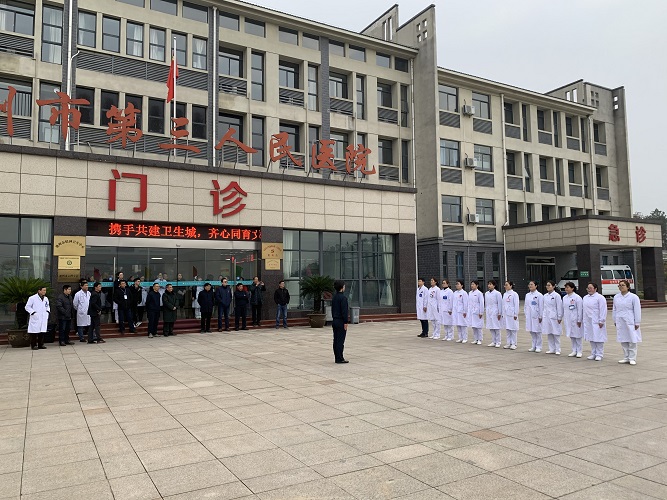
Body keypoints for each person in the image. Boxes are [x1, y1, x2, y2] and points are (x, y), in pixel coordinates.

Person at [613, 279, 641, 365]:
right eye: (619, 285)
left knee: (632, 339)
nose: (621, 287)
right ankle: (626, 357)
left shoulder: (633, 297)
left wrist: (637, 322)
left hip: (630, 320)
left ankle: (632, 358)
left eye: (623, 285)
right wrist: (615, 320)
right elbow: (614, 309)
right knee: (623, 339)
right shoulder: (616, 297)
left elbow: (637, 310)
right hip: (620, 320)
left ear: (628, 287)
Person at [583, 282, 608, 361]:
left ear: (595, 289)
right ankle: (593, 353)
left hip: (597, 320)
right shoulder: (585, 297)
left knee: (599, 337)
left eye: (590, 288)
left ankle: (599, 354)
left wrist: (602, 320)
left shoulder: (600, 297)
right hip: (588, 320)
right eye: (588, 288)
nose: (589, 289)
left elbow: (603, 309)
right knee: (591, 337)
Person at [562, 282, 584, 357]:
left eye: (568, 287)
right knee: (571, 335)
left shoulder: (577, 298)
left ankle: (579, 351)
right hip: (568, 319)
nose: (566, 289)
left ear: (572, 288)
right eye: (565, 287)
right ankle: (574, 350)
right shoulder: (564, 298)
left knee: (578, 335)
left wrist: (579, 320)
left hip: (575, 319)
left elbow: (580, 309)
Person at [542, 280, 564, 355]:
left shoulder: (556, 296)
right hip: (547, 316)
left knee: (556, 333)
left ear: (553, 286)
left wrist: (559, 317)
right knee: (549, 333)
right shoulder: (545, 296)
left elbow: (559, 307)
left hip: (554, 316)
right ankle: (551, 349)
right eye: (547, 285)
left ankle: (558, 349)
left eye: (549, 285)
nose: (547, 287)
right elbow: (544, 307)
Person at [25, 286, 50, 350]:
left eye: (45, 290)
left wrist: (47, 312)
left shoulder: (46, 298)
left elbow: (47, 306)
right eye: (43, 290)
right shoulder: (32, 298)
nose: (45, 292)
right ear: (39, 291)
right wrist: (33, 312)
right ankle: (33, 345)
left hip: (43, 317)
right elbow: (27, 307)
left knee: (42, 332)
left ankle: (41, 344)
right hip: (36, 317)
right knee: (34, 333)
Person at [332, 280, 349, 363]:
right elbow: (344, 311)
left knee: (335, 340)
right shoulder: (343, 298)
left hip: (335, 320)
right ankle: (340, 358)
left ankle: (337, 357)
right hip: (340, 321)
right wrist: (346, 322)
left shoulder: (334, 297)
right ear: (342, 287)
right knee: (340, 341)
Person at [525, 280, 543, 353]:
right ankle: (533, 346)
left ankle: (539, 346)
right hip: (529, 315)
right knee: (532, 331)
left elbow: (541, 306)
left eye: (532, 284)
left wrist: (540, 316)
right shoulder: (527, 295)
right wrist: (526, 313)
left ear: (536, 286)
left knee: (537, 331)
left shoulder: (539, 295)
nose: (530, 286)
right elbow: (526, 305)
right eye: (529, 284)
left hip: (536, 315)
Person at [485, 280, 503, 348]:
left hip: (495, 311)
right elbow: (486, 303)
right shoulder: (486, 293)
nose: (489, 285)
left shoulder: (497, 293)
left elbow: (500, 303)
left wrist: (499, 313)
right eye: (488, 284)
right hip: (489, 311)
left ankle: (498, 341)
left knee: (496, 327)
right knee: (491, 327)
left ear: (494, 285)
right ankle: (493, 341)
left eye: (490, 284)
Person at [502, 281, 519, 350]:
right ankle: (508, 343)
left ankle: (514, 343)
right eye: (505, 285)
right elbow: (503, 304)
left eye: (507, 285)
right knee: (508, 329)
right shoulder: (505, 294)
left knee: (513, 329)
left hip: (512, 314)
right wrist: (503, 313)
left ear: (511, 286)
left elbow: (516, 304)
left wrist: (515, 314)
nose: (505, 286)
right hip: (506, 314)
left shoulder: (514, 294)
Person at [468, 280, 485, 345]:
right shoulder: (470, 293)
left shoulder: (479, 293)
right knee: (474, 326)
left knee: (478, 326)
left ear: (477, 285)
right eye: (471, 284)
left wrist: (481, 312)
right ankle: (475, 339)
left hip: (477, 312)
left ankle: (480, 339)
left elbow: (481, 303)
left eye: (473, 284)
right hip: (472, 311)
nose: (472, 285)